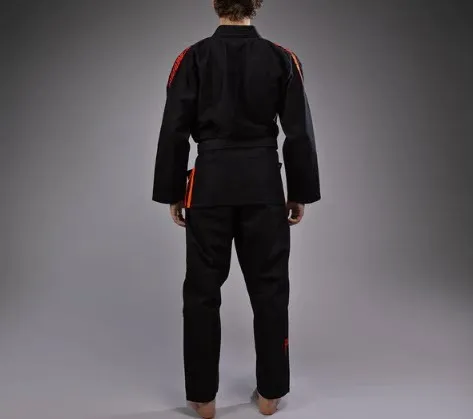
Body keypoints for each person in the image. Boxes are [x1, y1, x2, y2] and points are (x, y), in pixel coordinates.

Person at [152, 0, 320, 417]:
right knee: (270, 289)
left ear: (215, 3)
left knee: (202, 292)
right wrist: (298, 191)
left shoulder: (192, 58)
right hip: (264, 185)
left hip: (210, 184)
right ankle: (270, 394)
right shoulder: (282, 59)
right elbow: (297, 132)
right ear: (257, 3)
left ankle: (204, 397)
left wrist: (173, 191)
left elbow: (174, 129)